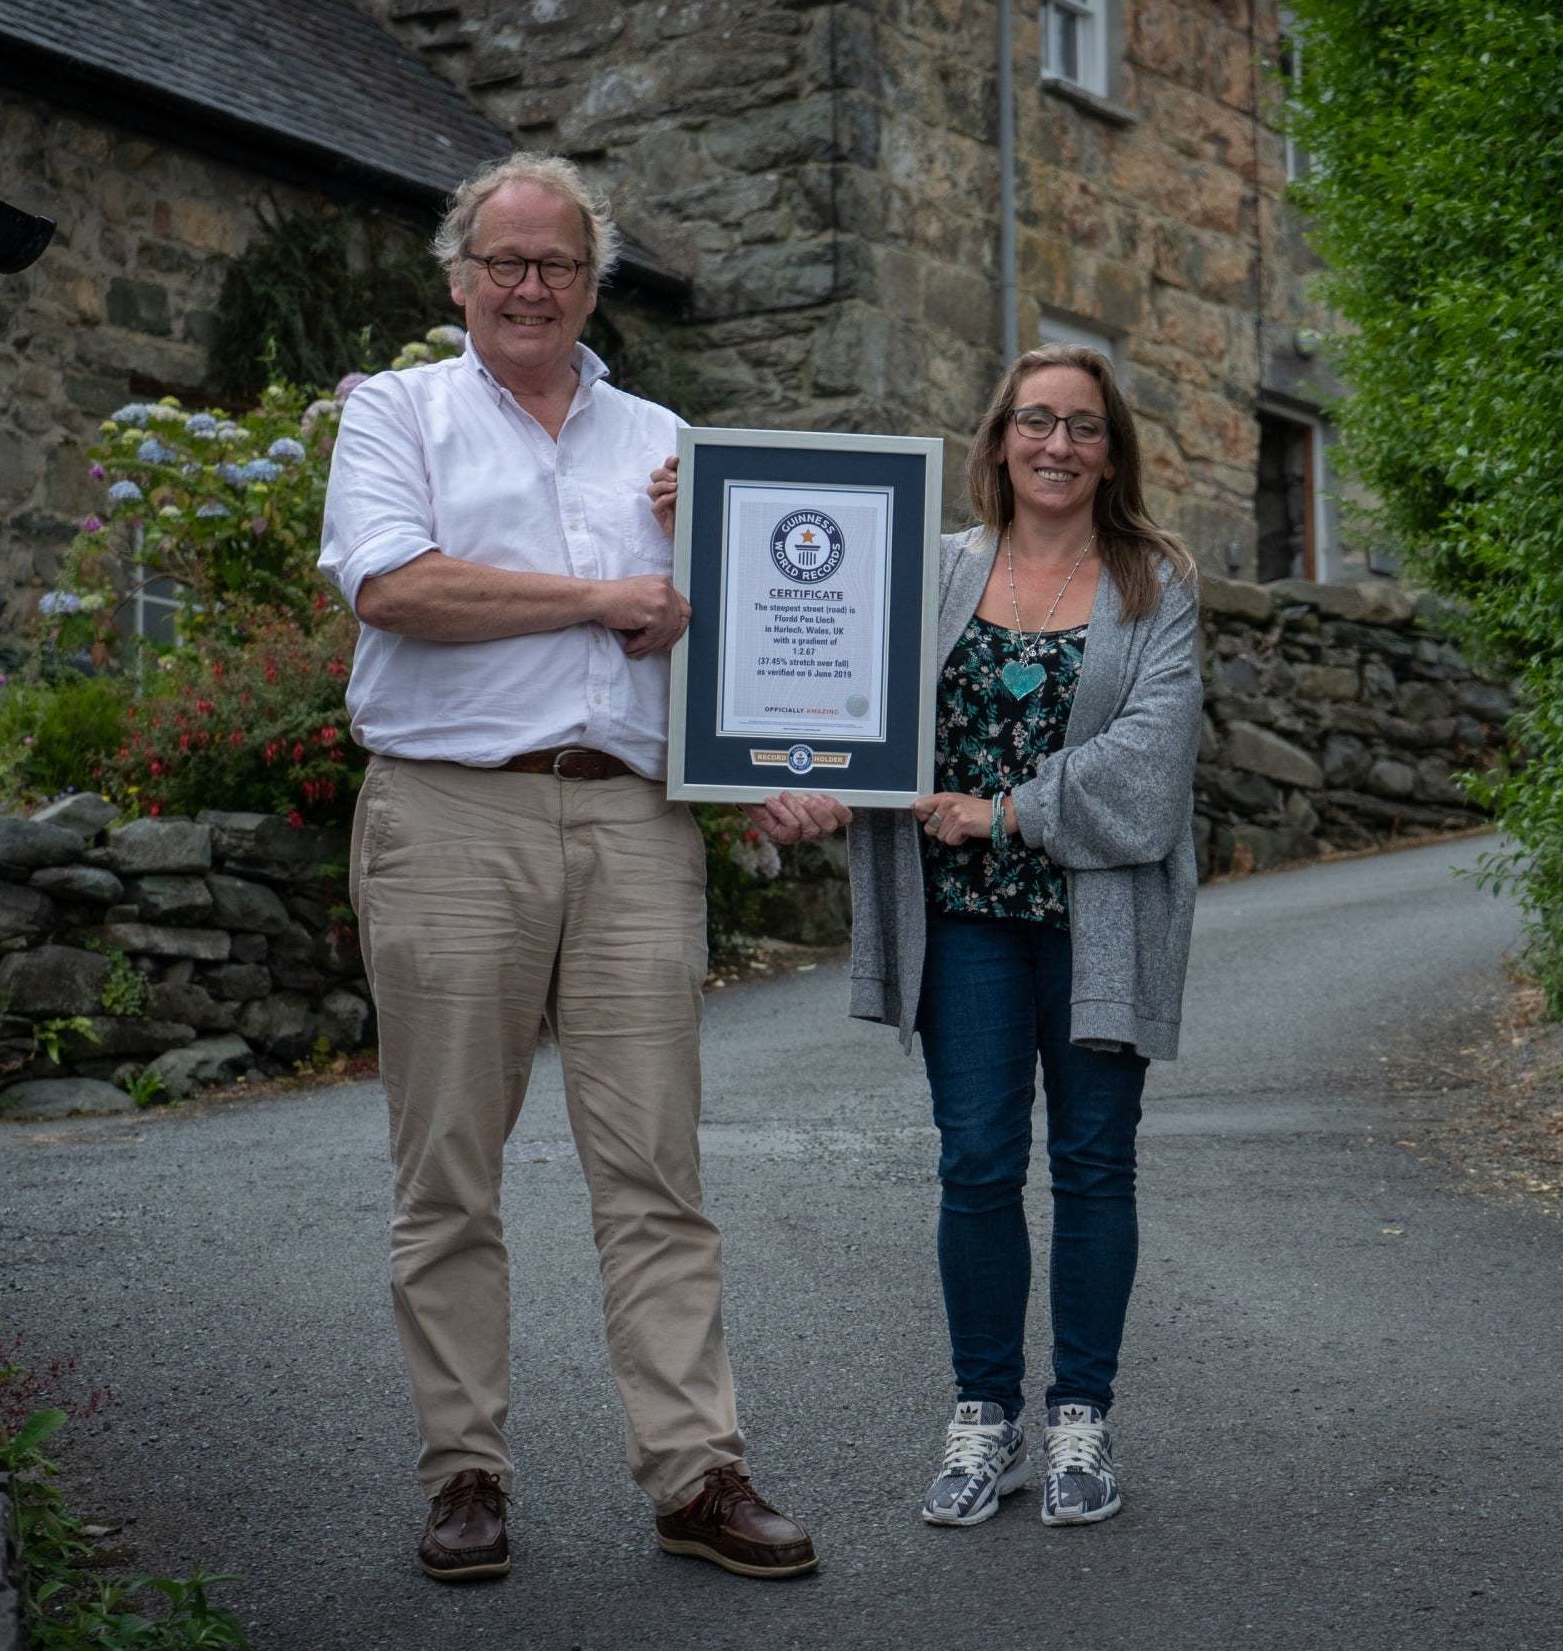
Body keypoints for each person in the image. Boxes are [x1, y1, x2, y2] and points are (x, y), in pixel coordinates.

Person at [318, 153, 815, 1583]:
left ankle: (695, 1469)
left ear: (595, 284)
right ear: (458, 275)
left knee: (656, 1164)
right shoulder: (394, 416)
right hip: (449, 816)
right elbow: (394, 586)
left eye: (559, 265)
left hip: (633, 824)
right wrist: (606, 596)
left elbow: (728, 625)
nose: (530, 287)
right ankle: (463, 1470)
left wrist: (769, 752)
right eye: (505, 261)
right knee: (448, 1171)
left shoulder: (662, 437)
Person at [760, 345, 1203, 1528]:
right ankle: (984, 1418)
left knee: (1096, 1166)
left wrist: (1006, 810)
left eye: (1085, 428)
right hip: (964, 925)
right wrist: (797, 779)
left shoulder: (1154, 581)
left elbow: (1152, 767)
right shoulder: (930, 568)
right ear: (997, 437)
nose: (1058, 445)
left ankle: (1080, 1424)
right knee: (976, 1165)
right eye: (1036, 421)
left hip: (1099, 922)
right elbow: (841, 691)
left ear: (1114, 452)